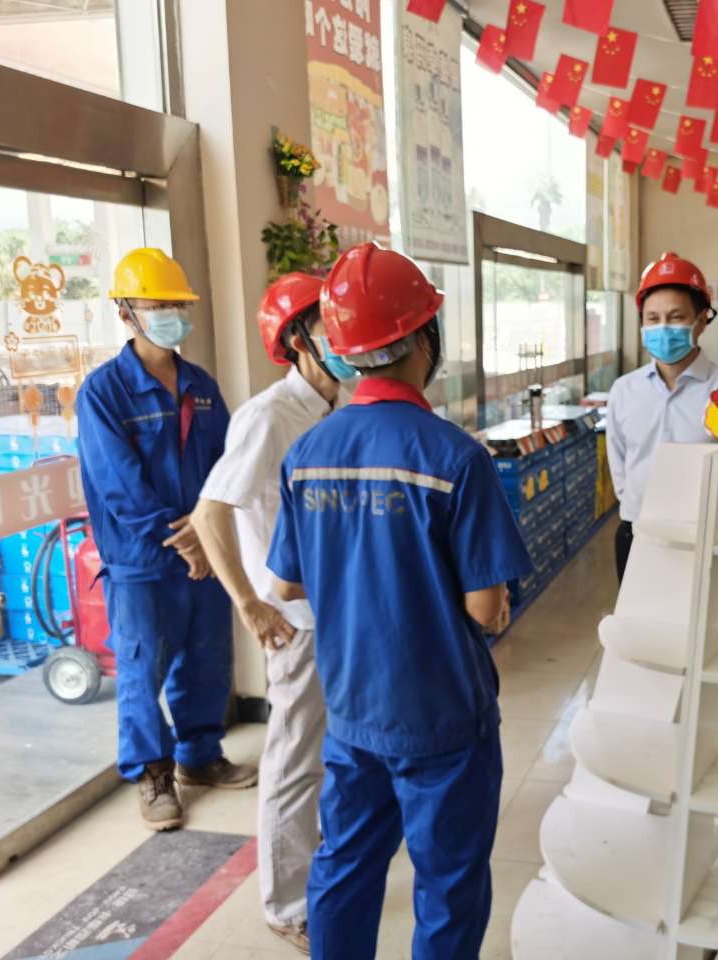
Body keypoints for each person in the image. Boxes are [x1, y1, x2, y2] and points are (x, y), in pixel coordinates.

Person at [265, 243, 533, 959]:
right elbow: (485, 608)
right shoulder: (455, 457)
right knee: (447, 884)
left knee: (345, 864)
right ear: (423, 340)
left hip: (353, 708)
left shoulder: (308, 453)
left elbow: (286, 583)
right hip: (442, 715)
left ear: (348, 352)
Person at [192, 273, 354, 954]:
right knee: (293, 762)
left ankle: (325, 873)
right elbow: (210, 512)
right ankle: (286, 905)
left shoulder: (340, 406)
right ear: (296, 341)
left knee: (335, 756)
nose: (343, 337)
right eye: (327, 326)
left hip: (341, 613)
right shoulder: (269, 416)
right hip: (297, 624)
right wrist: (250, 604)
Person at [77, 247, 257, 833]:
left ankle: (199, 756)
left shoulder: (200, 385)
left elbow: (227, 462)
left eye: (177, 305)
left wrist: (209, 533)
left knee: (206, 659)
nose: (170, 316)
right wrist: (180, 537)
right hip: (143, 560)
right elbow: (117, 482)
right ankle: (153, 775)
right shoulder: (103, 392)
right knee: (141, 670)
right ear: (126, 313)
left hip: (204, 548)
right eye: (157, 305)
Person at [605, 252, 718, 582]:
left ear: (701, 320)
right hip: (637, 534)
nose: (663, 327)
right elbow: (619, 465)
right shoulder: (624, 391)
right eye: (652, 318)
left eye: (675, 317)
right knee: (639, 615)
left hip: (707, 538)